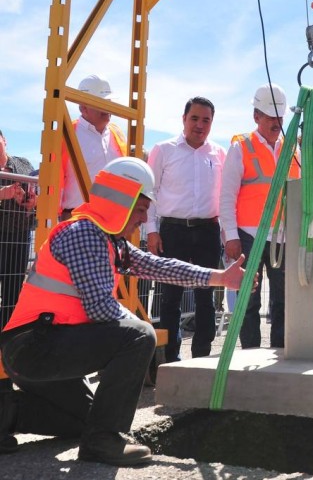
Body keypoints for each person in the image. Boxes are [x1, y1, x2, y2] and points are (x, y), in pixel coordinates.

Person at [0, 157, 244, 465]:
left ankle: (6, 415)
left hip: (41, 348)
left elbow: (159, 266)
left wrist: (219, 277)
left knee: (86, 418)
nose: (144, 219)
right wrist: (142, 340)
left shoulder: (108, 241)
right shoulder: (84, 234)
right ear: (123, 202)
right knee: (139, 335)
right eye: (141, 209)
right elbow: (101, 307)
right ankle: (103, 442)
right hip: (33, 347)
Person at [146, 97, 225, 362]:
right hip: (173, 232)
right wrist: (152, 232)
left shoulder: (219, 154)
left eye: (206, 120)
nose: (200, 125)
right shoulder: (163, 150)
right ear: (183, 119)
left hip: (208, 232)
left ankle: (202, 358)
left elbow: (225, 196)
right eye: (195, 118)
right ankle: (169, 359)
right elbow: (149, 192)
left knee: (206, 298)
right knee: (169, 298)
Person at [220, 84, 300, 349]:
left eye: (279, 117)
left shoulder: (293, 150)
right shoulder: (240, 147)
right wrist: (231, 236)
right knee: (248, 301)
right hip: (248, 235)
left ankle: (279, 355)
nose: (276, 122)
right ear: (256, 116)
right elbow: (227, 196)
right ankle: (249, 354)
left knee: (283, 301)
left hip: (282, 236)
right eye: (269, 117)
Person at [61, 74, 126, 219]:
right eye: (102, 103)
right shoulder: (68, 134)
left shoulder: (117, 134)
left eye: (109, 102)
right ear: (83, 108)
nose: (108, 108)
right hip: (76, 219)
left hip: (113, 218)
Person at [0, 129, 37, 331]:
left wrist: (32, 201)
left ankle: (7, 338)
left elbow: (38, 190)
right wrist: (2, 194)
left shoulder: (23, 164)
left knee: (13, 291)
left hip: (19, 238)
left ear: (4, 140)